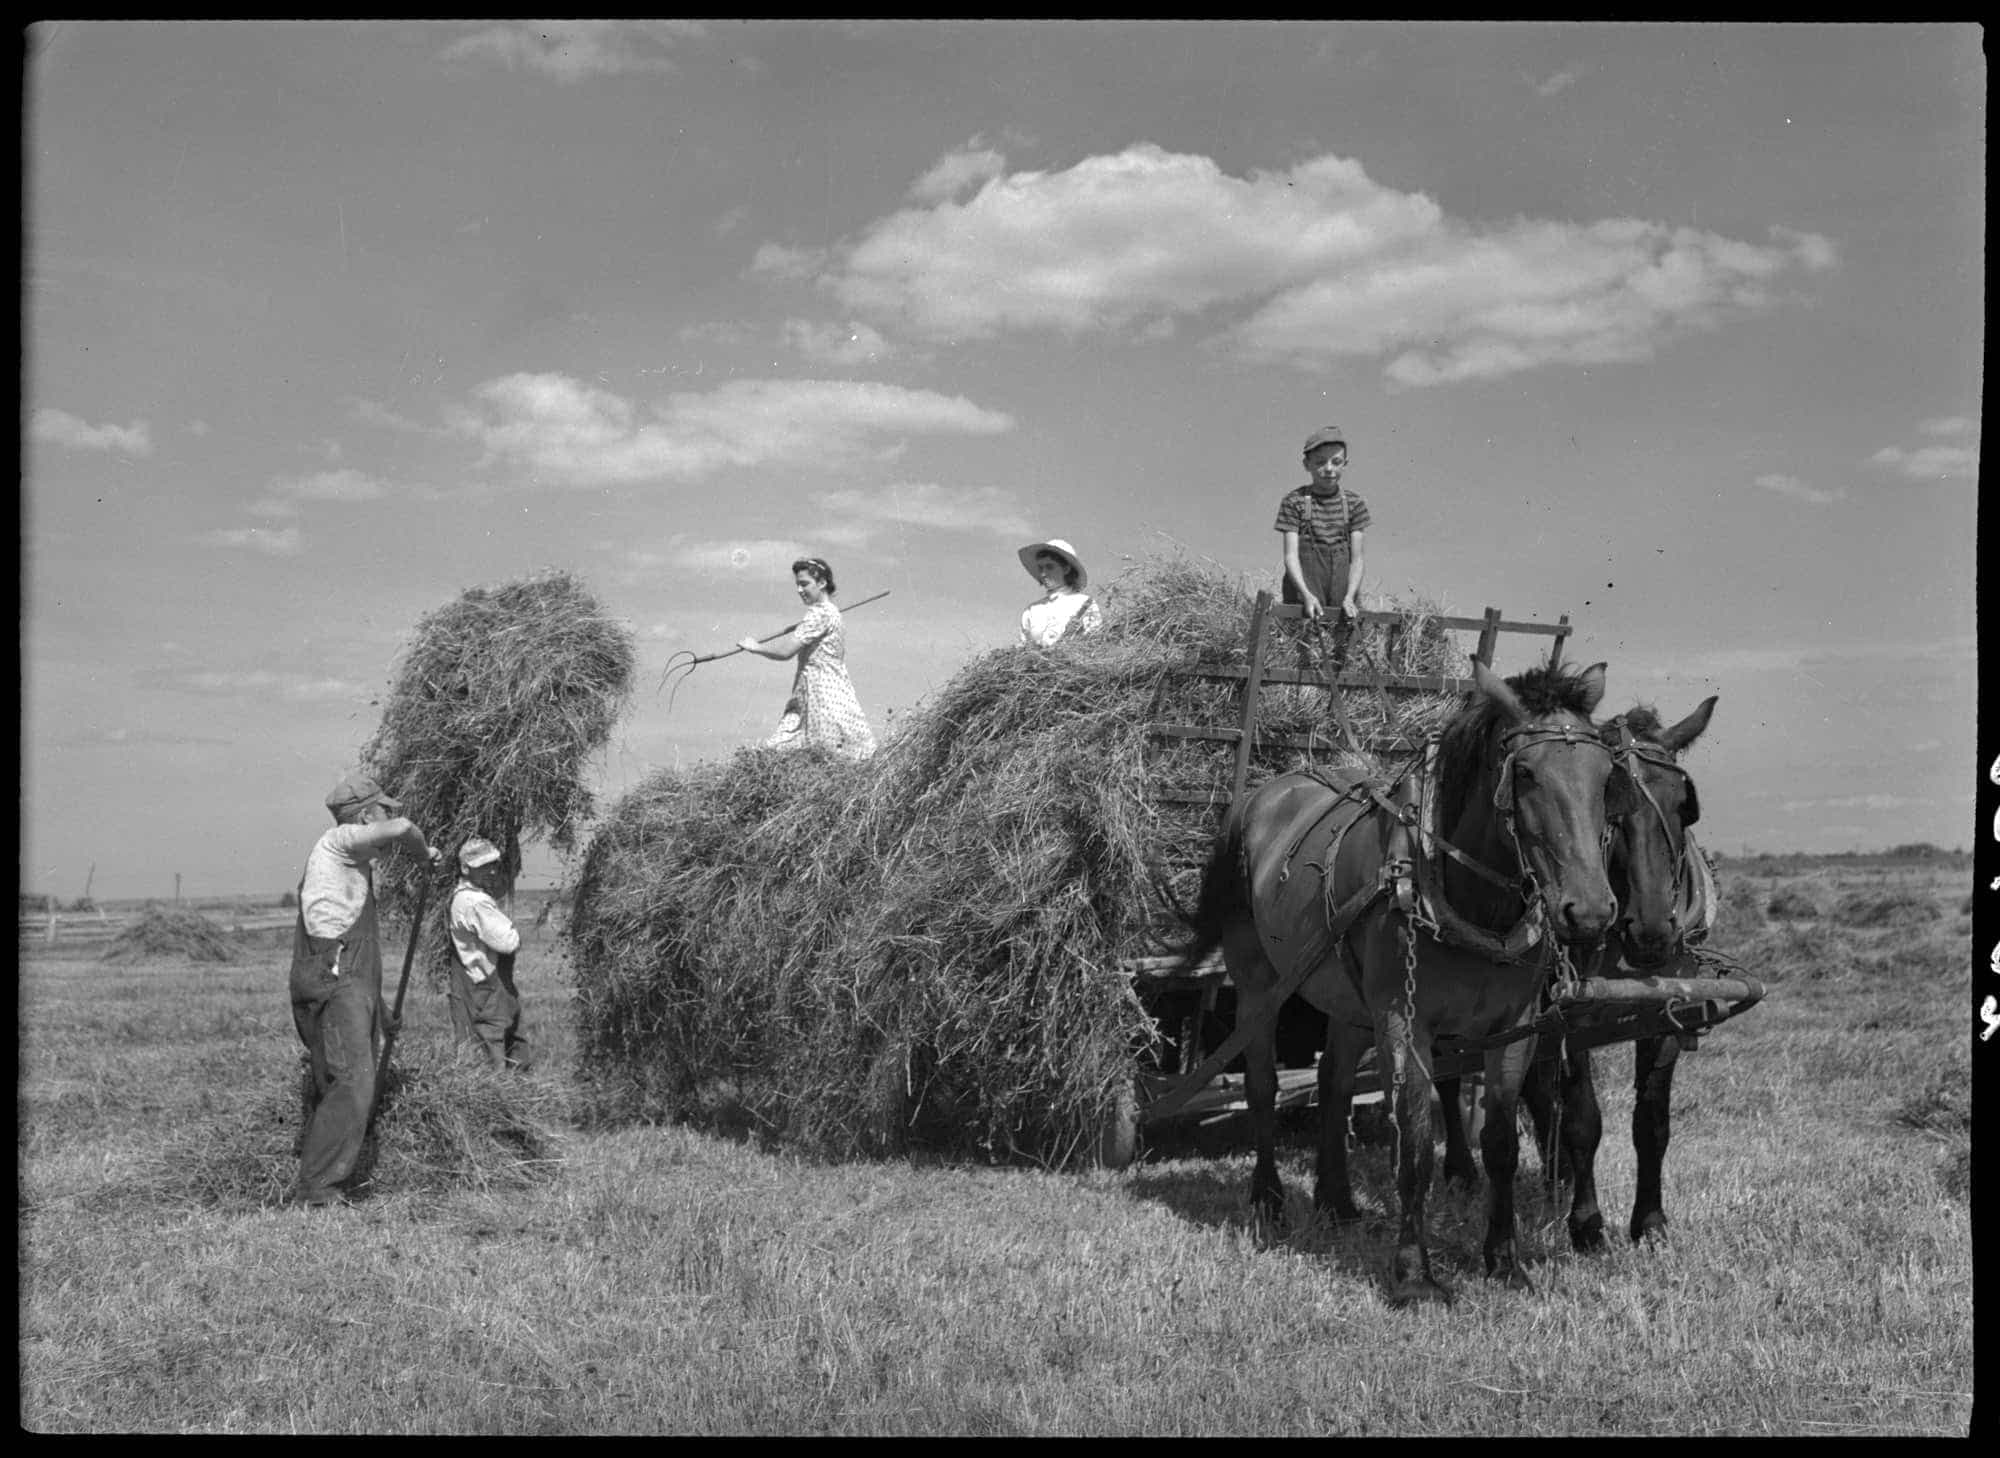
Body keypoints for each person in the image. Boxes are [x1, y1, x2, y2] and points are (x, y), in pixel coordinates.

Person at [289, 771, 443, 1207]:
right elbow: (404, 829)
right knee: (353, 1083)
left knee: (335, 1080)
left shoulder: (346, 870)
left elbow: (356, 963)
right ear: (364, 816)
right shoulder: (337, 843)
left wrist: (381, 1009)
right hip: (332, 983)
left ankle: (322, 1171)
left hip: (336, 980)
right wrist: (421, 855)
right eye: (381, 809)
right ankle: (318, 1190)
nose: (386, 817)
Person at [738, 556, 877, 759]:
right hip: (824, 693)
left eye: (804, 584)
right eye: (797, 585)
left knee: (816, 755)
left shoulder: (820, 614)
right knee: (789, 751)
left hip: (822, 697)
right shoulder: (828, 613)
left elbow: (785, 652)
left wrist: (755, 647)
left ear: (822, 583)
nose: (799, 590)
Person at [1274, 424, 1371, 671]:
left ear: (1345, 464)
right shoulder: (1294, 502)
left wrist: (1349, 598)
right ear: (1307, 464)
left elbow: (1357, 559)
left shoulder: (1355, 504)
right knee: (1303, 652)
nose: (1329, 469)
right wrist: (1306, 595)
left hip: (1341, 590)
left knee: (1343, 655)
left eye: (1336, 462)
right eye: (1320, 462)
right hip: (1305, 590)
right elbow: (1290, 556)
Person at [446, 836, 530, 1072]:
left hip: (490, 986)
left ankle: (518, 1097)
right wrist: (512, 929)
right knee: (494, 1053)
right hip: (488, 989)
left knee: (511, 1042)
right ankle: (505, 1098)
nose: (491, 871)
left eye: (493, 865)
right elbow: (508, 942)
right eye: (483, 866)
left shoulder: (463, 897)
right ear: (465, 868)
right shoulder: (475, 902)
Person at [1017, 538, 1102, 647]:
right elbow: (1023, 649)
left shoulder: (1085, 603)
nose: (1043, 574)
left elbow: (1095, 644)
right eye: (1040, 568)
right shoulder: (1031, 610)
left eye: (1049, 567)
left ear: (1066, 569)